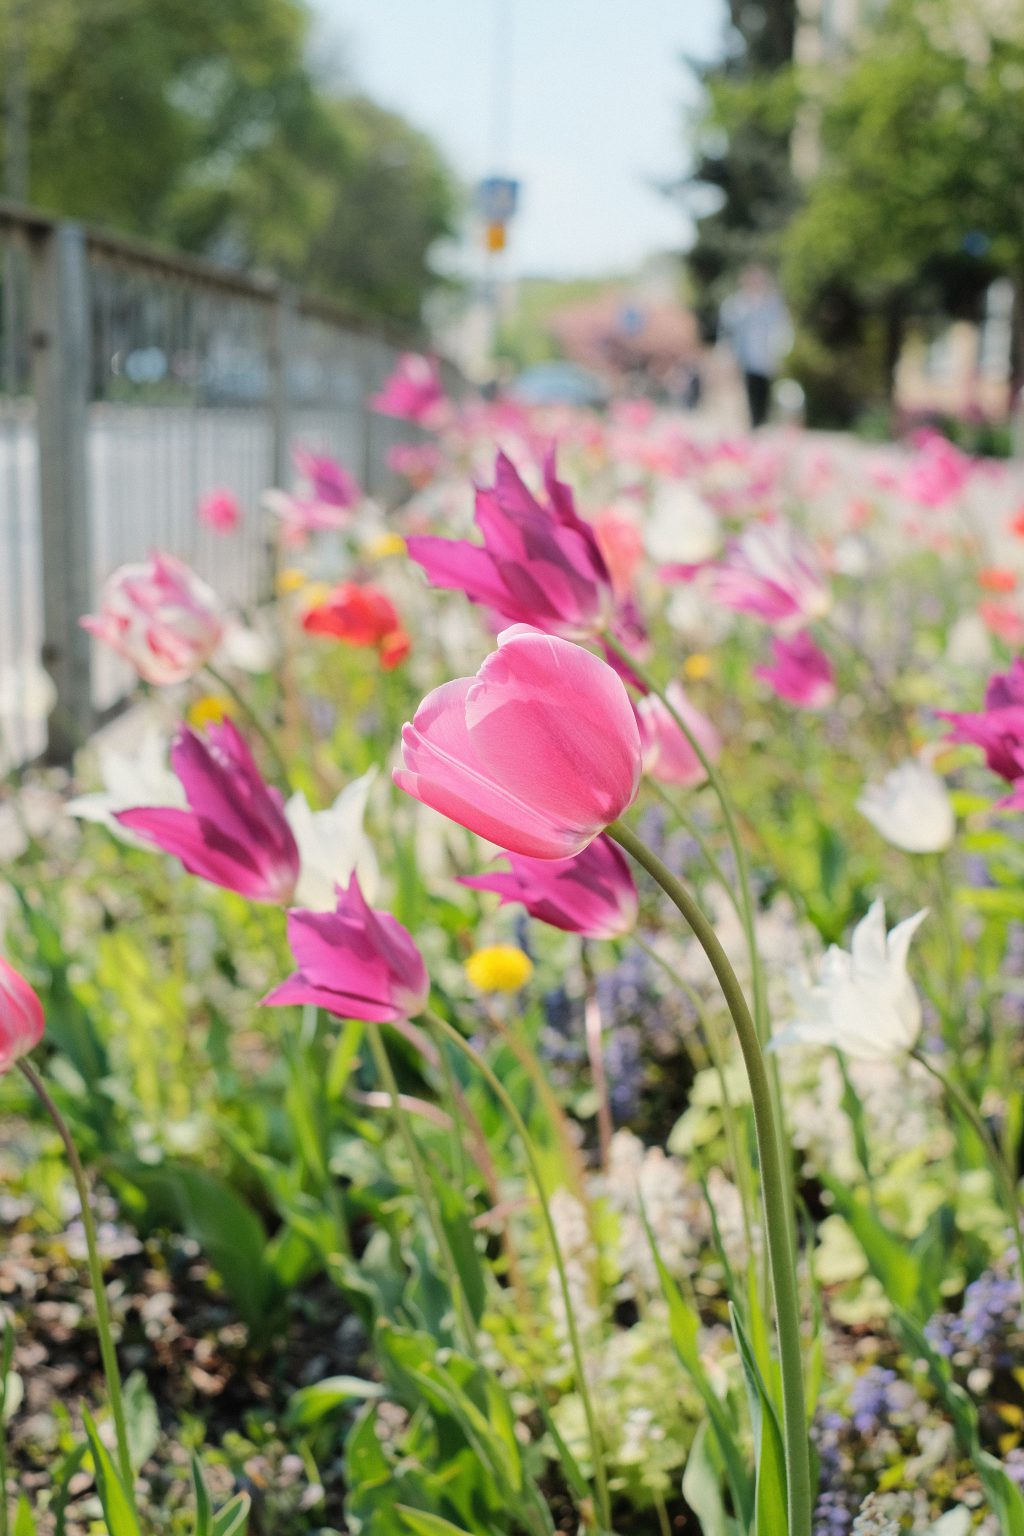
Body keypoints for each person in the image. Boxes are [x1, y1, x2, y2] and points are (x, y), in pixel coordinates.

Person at [719, 265, 793, 429]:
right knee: (749, 392)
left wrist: (781, 352)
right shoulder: (736, 305)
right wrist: (727, 355)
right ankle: (754, 424)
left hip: (767, 357)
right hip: (745, 358)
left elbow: (782, 329)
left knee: (764, 393)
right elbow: (727, 333)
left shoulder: (772, 304)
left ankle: (762, 423)